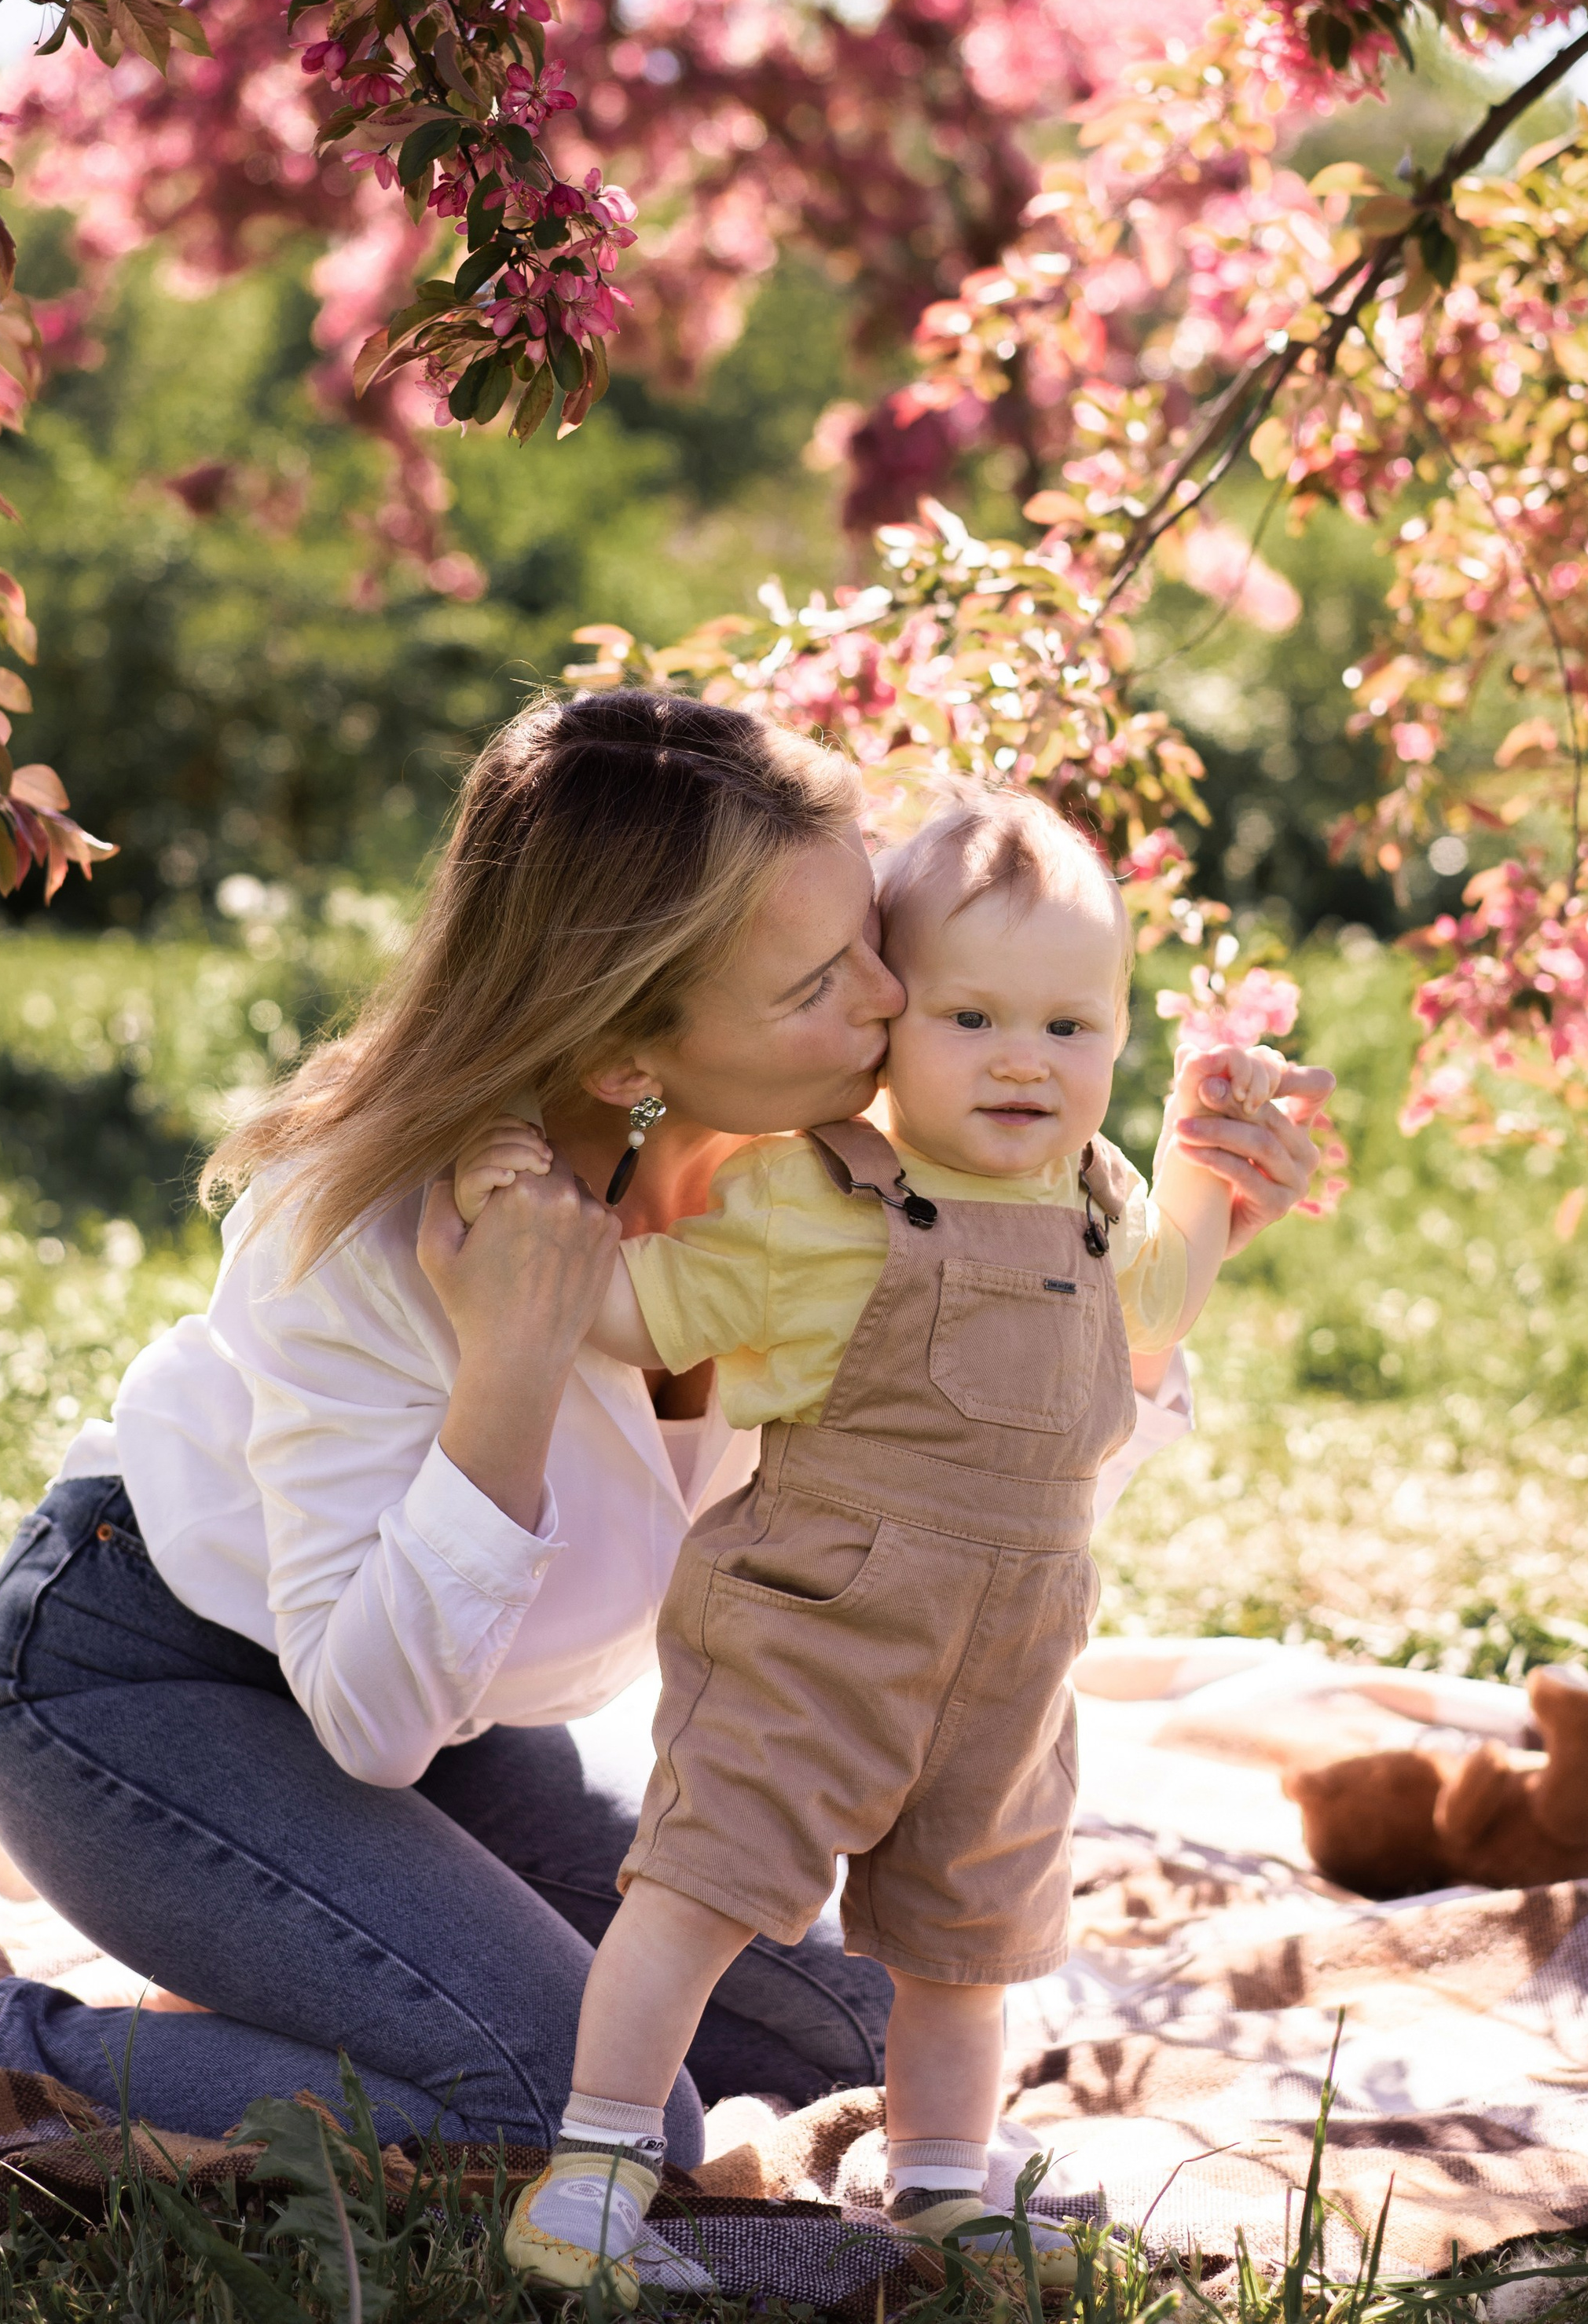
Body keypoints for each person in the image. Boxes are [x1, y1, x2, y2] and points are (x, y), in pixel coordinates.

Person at [0, 694, 1327, 2176]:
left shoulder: (823, 1197)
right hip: (154, 1680)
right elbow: (369, 1722)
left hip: (454, 1735)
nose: (892, 1001)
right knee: (585, 2119)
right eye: (823, 984)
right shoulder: (370, 1235)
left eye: (877, 947)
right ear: (629, 1055)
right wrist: (511, 1363)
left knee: (849, 2039)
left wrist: (1184, 1216)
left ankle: (282, 1962)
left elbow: (971, 1469)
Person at [446, 790, 1331, 2296]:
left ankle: (936, 2183)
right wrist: (510, 1226)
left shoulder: (1098, 1200)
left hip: (1007, 1666)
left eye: (1072, 1027)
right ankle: (591, 2166)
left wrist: (1199, 1156)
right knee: (699, 1891)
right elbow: (633, 1314)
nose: (1022, 1060)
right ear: (886, 1023)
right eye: (972, 1014)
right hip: (812, 1634)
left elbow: (1160, 1311)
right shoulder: (815, 1201)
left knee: (962, 1950)